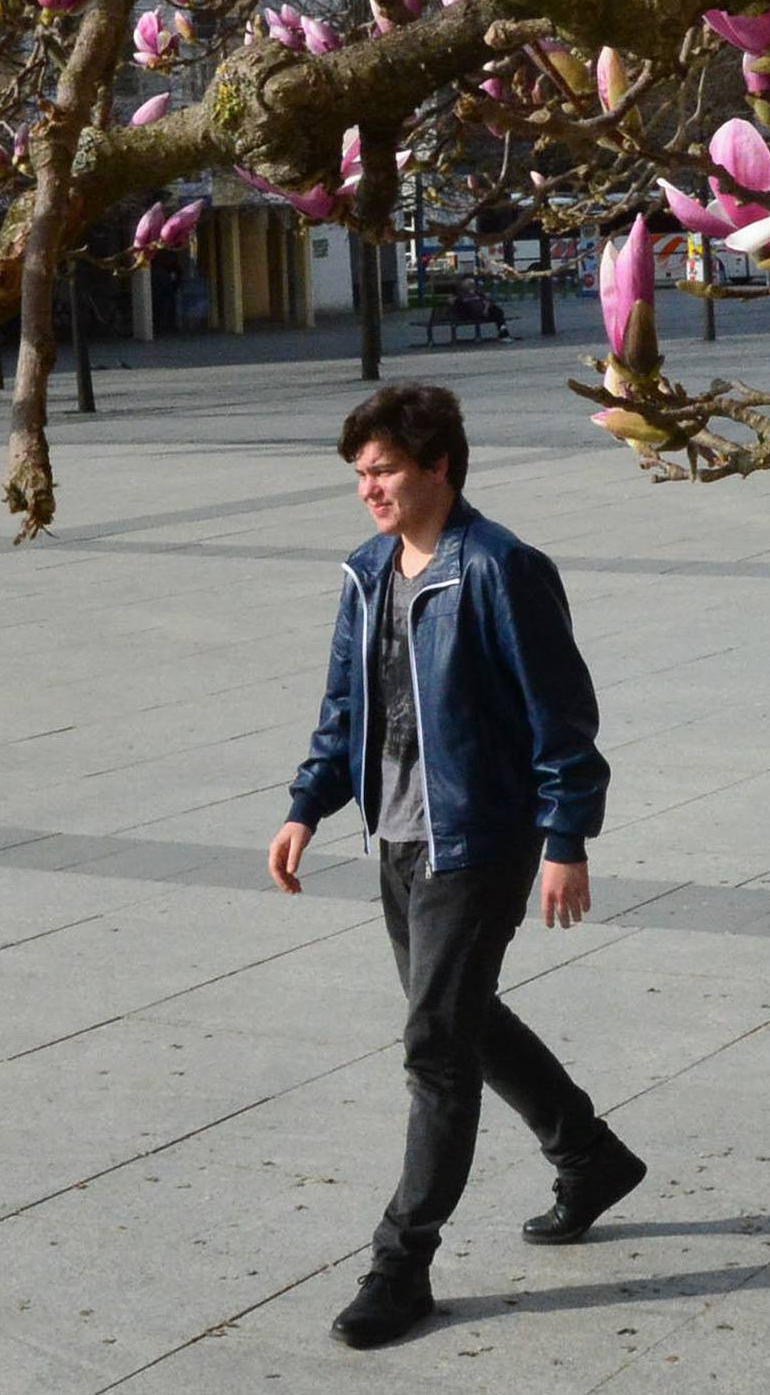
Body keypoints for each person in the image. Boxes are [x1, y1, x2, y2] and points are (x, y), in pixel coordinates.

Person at [268, 383, 644, 1350]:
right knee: (463, 1020)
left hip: (478, 841)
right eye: (360, 473)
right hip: (396, 839)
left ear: (439, 466)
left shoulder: (501, 567)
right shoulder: (367, 572)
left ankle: (404, 1261)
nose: (369, 489)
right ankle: (589, 1153)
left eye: (384, 469)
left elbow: (561, 717)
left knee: (435, 1047)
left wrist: (566, 836)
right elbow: (345, 706)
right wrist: (307, 804)